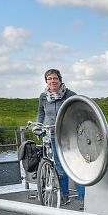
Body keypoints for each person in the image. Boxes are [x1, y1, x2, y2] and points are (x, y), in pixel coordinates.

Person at [36, 68, 85, 204]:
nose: (52, 81)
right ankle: (64, 196)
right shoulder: (43, 97)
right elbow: (41, 113)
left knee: (74, 165)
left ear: (60, 80)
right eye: (49, 79)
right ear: (46, 81)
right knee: (59, 166)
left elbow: (78, 113)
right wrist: (38, 125)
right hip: (52, 135)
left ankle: (83, 199)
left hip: (69, 136)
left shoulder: (70, 95)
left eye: (55, 78)